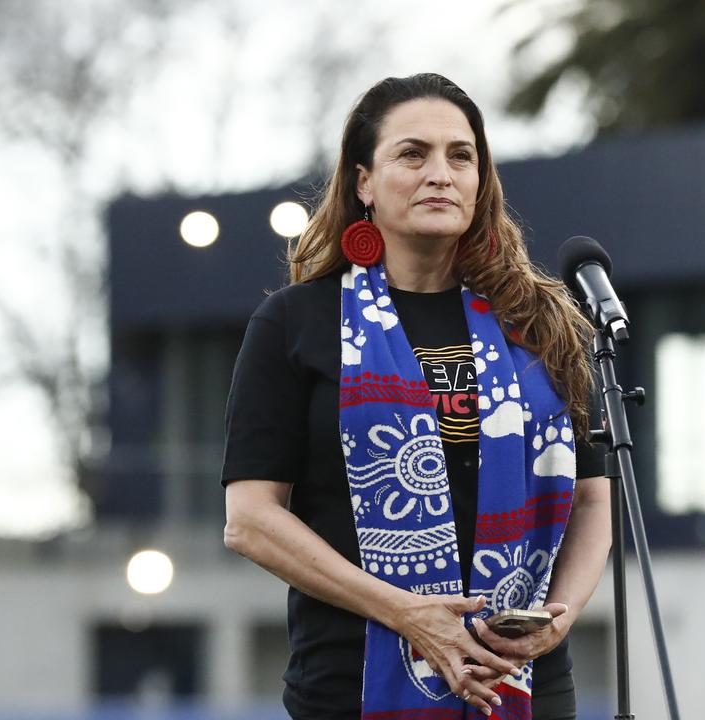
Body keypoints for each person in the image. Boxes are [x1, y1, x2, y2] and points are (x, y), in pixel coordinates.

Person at [221, 73, 612, 720]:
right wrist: (408, 614)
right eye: (413, 153)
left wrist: (560, 617)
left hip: (523, 684)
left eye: (461, 156)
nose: (441, 173)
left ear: (481, 181)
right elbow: (251, 519)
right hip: (354, 685)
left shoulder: (538, 325)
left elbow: (595, 497)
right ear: (363, 183)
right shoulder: (297, 324)